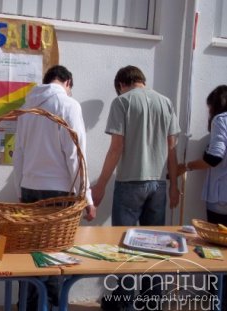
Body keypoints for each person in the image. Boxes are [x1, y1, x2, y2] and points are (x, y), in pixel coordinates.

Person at [91, 65, 181, 311]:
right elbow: (171, 148)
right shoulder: (165, 102)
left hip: (130, 183)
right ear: (141, 80)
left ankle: (125, 302)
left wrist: (100, 185)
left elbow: (116, 148)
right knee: (156, 245)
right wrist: (174, 186)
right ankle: (152, 301)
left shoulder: (122, 103)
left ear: (121, 85)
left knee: (126, 246)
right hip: (159, 184)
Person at [13, 65, 96, 311]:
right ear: (67, 82)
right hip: (59, 193)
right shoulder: (69, 106)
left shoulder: (27, 108)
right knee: (55, 257)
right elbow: (76, 155)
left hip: (29, 189)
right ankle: (50, 306)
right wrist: (87, 197)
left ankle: (26, 307)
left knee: (29, 255)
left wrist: (20, 191)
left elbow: (18, 154)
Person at [179, 85, 227, 222]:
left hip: (222, 200)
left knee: (217, 242)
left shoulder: (221, 120)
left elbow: (214, 157)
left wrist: (187, 166)